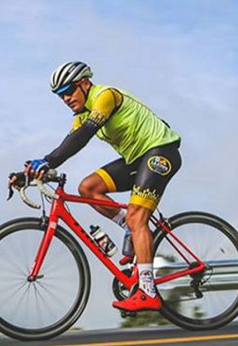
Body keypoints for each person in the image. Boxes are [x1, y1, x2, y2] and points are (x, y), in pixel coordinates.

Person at [22, 61, 182, 312]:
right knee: (88, 188)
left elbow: (85, 135)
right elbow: (68, 143)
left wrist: (48, 161)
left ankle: (148, 292)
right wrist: (30, 173)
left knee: (138, 218)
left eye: (68, 90)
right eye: (60, 95)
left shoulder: (105, 96)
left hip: (161, 152)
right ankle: (130, 227)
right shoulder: (81, 115)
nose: (65, 98)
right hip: (136, 160)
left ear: (85, 83)